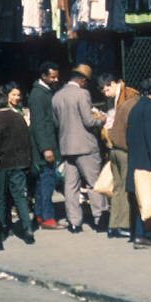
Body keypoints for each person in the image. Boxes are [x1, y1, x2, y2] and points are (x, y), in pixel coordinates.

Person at [52, 63, 106, 233]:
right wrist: (101, 120)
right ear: (82, 80)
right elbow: (89, 121)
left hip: (66, 146)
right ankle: (100, 218)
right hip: (85, 146)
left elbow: (56, 123)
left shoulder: (57, 96)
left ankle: (74, 222)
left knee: (71, 186)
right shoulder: (83, 94)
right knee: (94, 183)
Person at [0, 83, 34, 244]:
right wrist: (28, 162)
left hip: (1, 164)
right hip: (19, 163)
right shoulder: (19, 117)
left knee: (0, 198)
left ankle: (2, 230)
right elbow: (27, 141)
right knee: (20, 197)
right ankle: (27, 228)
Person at [125, 76, 151, 247]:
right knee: (148, 198)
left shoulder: (137, 107)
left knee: (139, 197)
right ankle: (143, 234)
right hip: (146, 161)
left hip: (136, 158)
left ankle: (140, 233)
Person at [99, 71, 140, 239]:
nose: (104, 92)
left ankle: (114, 225)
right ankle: (121, 225)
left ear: (113, 83)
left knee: (118, 188)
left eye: (105, 88)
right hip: (121, 147)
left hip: (116, 145)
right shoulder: (129, 97)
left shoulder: (128, 94)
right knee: (121, 188)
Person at [29, 62, 61, 229]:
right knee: (47, 181)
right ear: (43, 76)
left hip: (48, 143)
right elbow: (39, 124)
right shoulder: (38, 95)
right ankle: (47, 217)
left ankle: (40, 215)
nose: (56, 79)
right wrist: (45, 148)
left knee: (44, 182)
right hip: (45, 146)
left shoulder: (45, 92)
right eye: (52, 76)